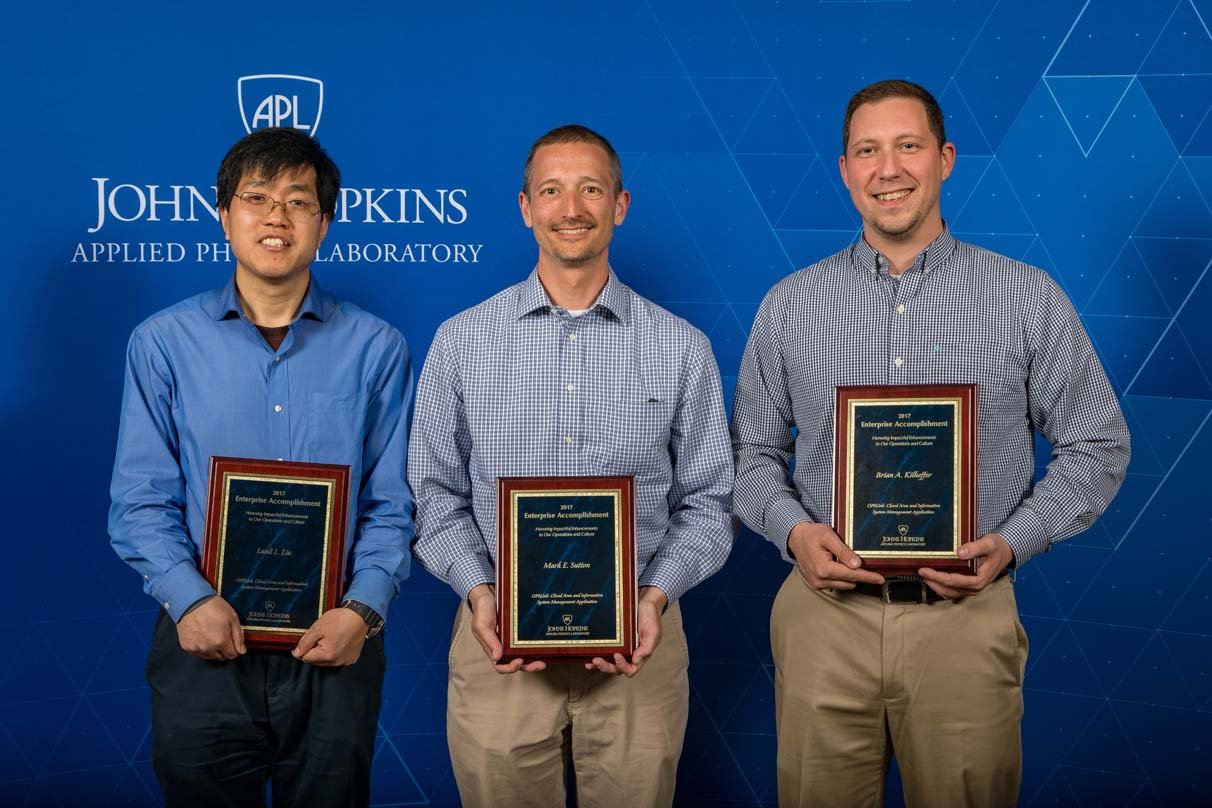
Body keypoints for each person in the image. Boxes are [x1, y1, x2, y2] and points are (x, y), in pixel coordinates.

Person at [731, 80, 1130, 807]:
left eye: (908, 146)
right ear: (846, 169)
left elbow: (1097, 443)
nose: (889, 169)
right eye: (868, 151)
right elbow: (750, 456)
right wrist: (793, 535)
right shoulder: (789, 306)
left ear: (944, 159)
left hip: (965, 624)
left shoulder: (1025, 296)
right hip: (826, 621)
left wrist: (1012, 542)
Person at [408, 124, 733, 807]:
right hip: (498, 647)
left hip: (639, 650)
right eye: (551, 190)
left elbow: (709, 504)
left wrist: (653, 597)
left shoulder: (682, 348)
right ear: (526, 207)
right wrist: (480, 592)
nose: (571, 207)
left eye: (591, 188)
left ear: (620, 204)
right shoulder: (461, 343)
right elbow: (434, 497)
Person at [108, 127, 414, 807]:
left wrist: (362, 611)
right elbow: (140, 497)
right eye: (256, 197)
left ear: (324, 223)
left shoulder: (377, 349)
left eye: (298, 201)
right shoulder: (162, 344)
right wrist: (189, 598)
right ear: (223, 214)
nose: (276, 217)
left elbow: (392, 504)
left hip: (334, 648)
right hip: (202, 644)